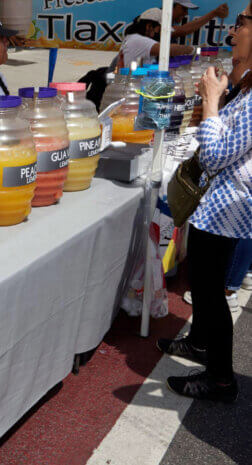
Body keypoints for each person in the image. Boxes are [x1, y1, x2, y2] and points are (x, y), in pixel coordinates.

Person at [157, 4, 252, 403]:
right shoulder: (246, 84)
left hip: (230, 207)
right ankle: (198, 343)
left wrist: (212, 102)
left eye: (243, 23)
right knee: (200, 277)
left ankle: (221, 378)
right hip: (218, 204)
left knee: (211, 293)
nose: (233, 31)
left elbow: (217, 155)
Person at [117, 8, 195, 68]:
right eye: (161, 30)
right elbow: (167, 49)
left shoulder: (135, 38)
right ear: (149, 26)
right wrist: (192, 50)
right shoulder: (137, 39)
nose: (162, 34)